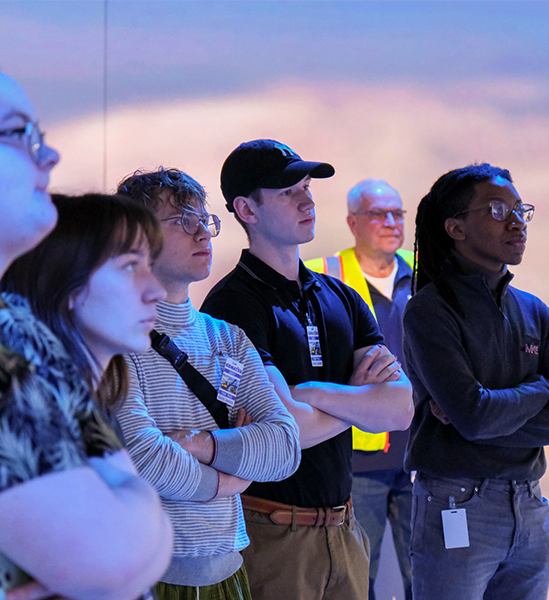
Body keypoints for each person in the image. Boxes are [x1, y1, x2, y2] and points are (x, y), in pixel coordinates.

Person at [0, 52, 171, 600]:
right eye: (16, 135)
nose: (48, 155)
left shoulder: (14, 322)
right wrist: (128, 499)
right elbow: (116, 560)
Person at [201, 139, 413, 600]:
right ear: (246, 209)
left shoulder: (340, 296)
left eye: (307, 187)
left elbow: (398, 410)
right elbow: (287, 433)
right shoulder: (233, 303)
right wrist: (357, 398)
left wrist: (311, 393)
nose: (307, 200)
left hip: (345, 526)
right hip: (273, 530)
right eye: (287, 192)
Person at [116, 167, 301, 600]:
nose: (203, 233)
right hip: (148, 570)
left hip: (227, 564)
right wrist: (230, 477)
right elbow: (145, 458)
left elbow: (285, 447)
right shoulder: (118, 340)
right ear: (135, 238)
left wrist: (202, 445)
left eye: (204, 219)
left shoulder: (228, 337)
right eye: (183, 220)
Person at [403, 163, 549, 600]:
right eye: (498, 209)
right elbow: (473, 417)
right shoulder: (429, 310)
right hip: (457, 502)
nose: (517, 221)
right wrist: (543, 388)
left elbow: (475, 417)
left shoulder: (534, 310)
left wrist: (483, 412)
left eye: (520, 209)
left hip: (529, 501)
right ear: (456, 228)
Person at [305, 178, 413, 600]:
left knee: (425, 571)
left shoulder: (425, 272)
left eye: (397, 214)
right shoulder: (321, 276)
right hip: (355, 460)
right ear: (352, 222)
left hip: (421, 456)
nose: (390, 222)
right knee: (354, 577)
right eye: (377, 213)